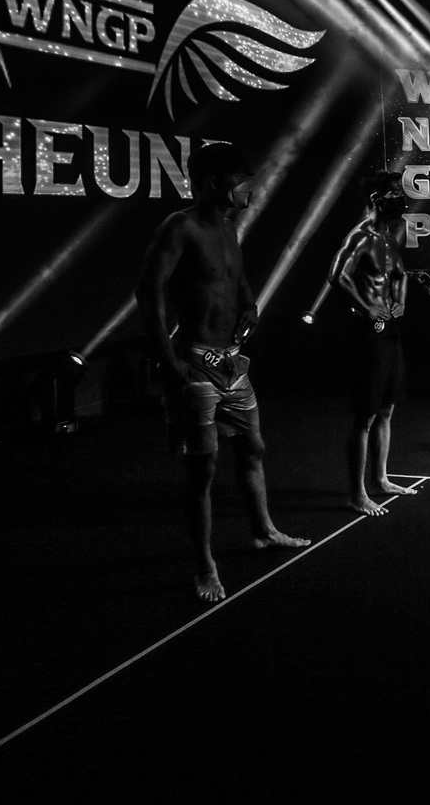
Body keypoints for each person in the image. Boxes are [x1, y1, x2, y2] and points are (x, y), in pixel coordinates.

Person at [137, 142, 308, 603]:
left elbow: (234, 279)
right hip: (194, 363)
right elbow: (148, 292)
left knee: (253, 449)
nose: (248, 187)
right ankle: (205, 565)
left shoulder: (228, 228)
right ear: (214, 181)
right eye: (240, 179)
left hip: (232, 362)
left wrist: (250, 305)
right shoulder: (180, 227)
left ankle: (264, 531)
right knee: (203, 469)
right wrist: (167, 360)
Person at [328, 171, 418, 517]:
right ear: (376, 200)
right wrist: (366, 307)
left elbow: (401, 275)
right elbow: (337, 275)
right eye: (394, 193)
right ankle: (357, 494)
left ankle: (380, 479)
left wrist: (401, 301)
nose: (401, 199)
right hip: (366, 334)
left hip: (389, 332)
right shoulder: (361, 236)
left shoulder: (388, 238)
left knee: (387, 409)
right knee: (365, 415)